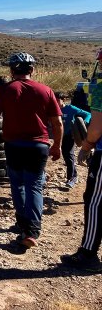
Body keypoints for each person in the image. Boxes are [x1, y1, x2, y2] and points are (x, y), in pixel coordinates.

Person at [0, 52, 63, 250]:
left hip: (13, 146)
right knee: (34, 186)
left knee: (17, 184)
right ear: (32, 70)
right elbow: (58, 122)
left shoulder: (4, 91)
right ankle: (32, 231)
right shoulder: (46, 90)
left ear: (11, 71)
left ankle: (21, 223)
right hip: (38, 146)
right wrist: (57, 145)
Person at [61, 48, 102, 270]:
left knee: (95, 202)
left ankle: (88, 255)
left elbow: (96, 127)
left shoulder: (100, 87)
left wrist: (86, 147)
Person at [55, 91, 91, 189]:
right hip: (59, 135)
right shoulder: (53, 109)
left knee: (68, 154)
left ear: (64, 100)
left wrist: (84, 122)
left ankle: (72, 177)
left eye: (58, 100)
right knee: (65, 155)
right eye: (54, 100)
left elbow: (88, 114)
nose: (56, 102)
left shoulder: (70, 108)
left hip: (70, 135)